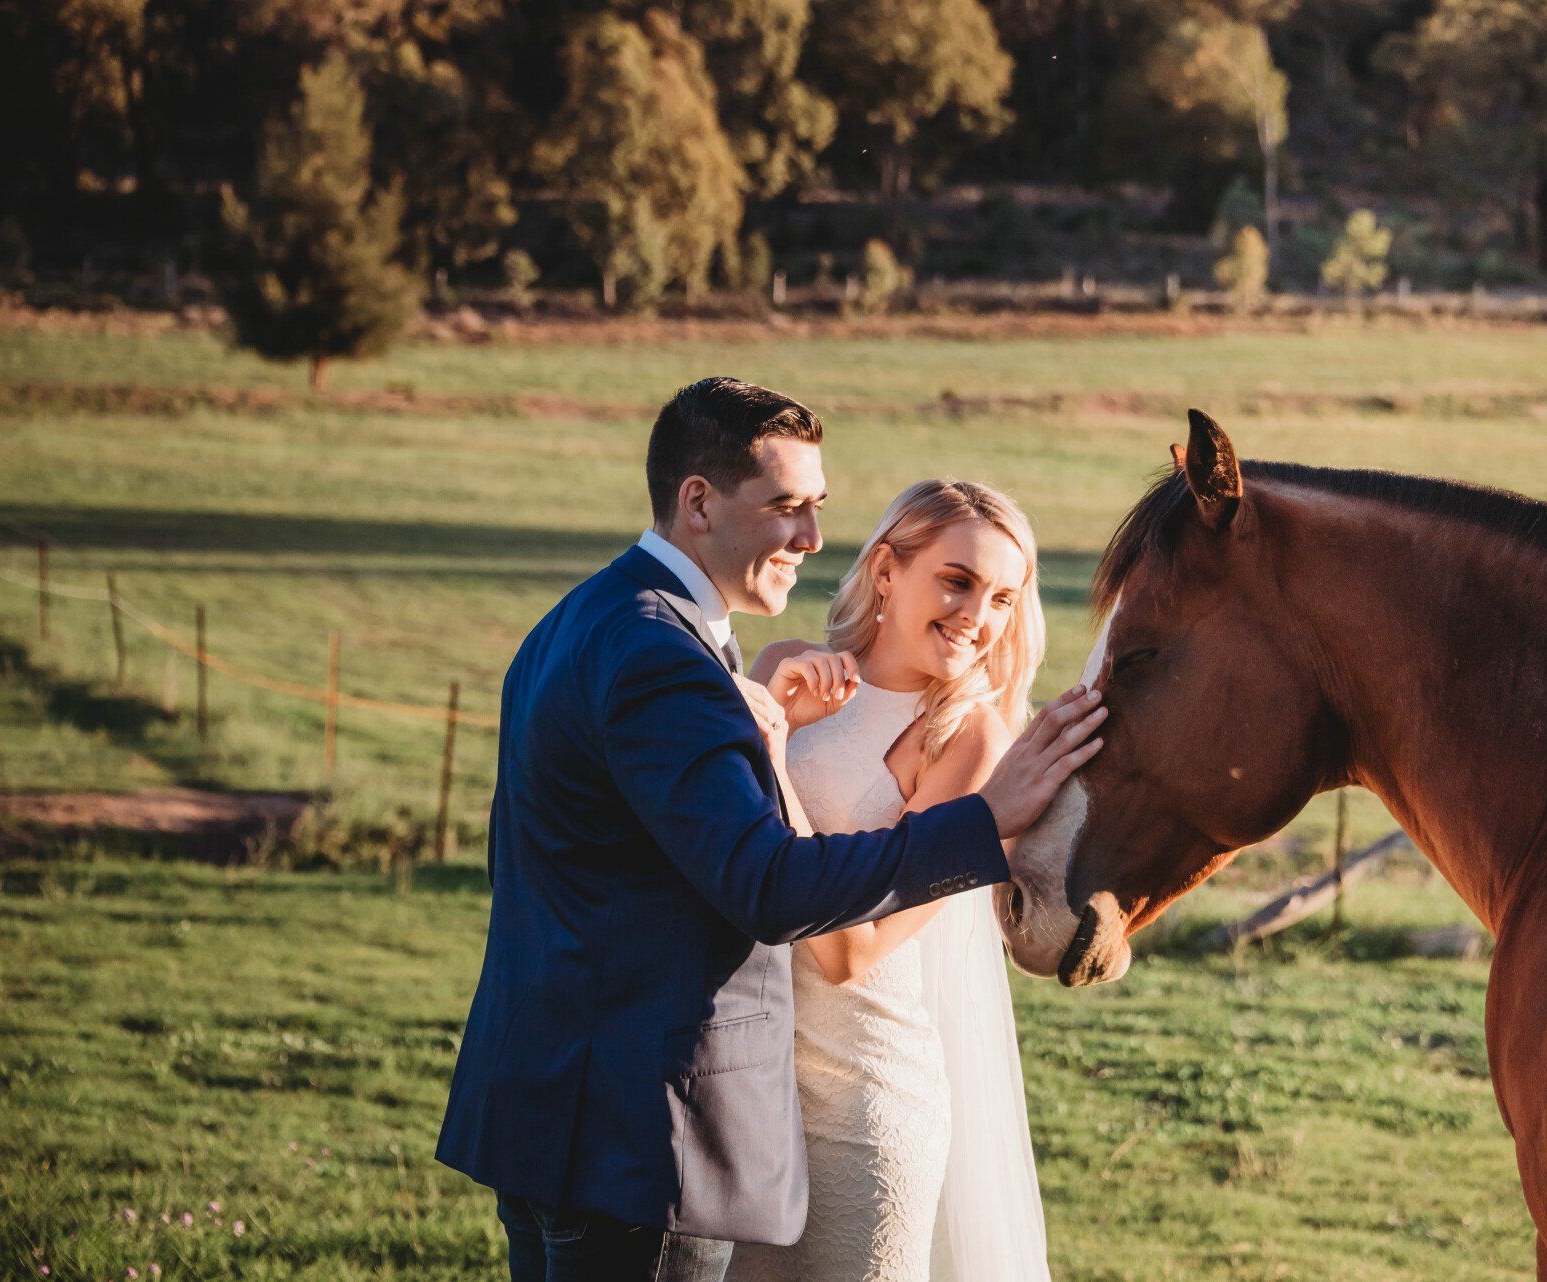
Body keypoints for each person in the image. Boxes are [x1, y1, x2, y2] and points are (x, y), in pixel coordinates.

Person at [434, 378, 1105, 1282]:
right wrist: (977, 822)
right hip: (662, 1126)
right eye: (787, 506)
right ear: (699, 501)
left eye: (1002, 598)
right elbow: (767, 884)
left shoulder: (581, 621)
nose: (811, 537)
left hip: (761, 1109)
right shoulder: (681, 657)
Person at [727, 479, 1053, 1282]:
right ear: (885, 572)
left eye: (1004, 598)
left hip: (861, 1111)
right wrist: (775, 721)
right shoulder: (781, 668)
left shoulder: (964, 740)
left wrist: (775, 759)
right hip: (739, 1099)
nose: (979, 617)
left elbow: (851, 953)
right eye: (957, 580)